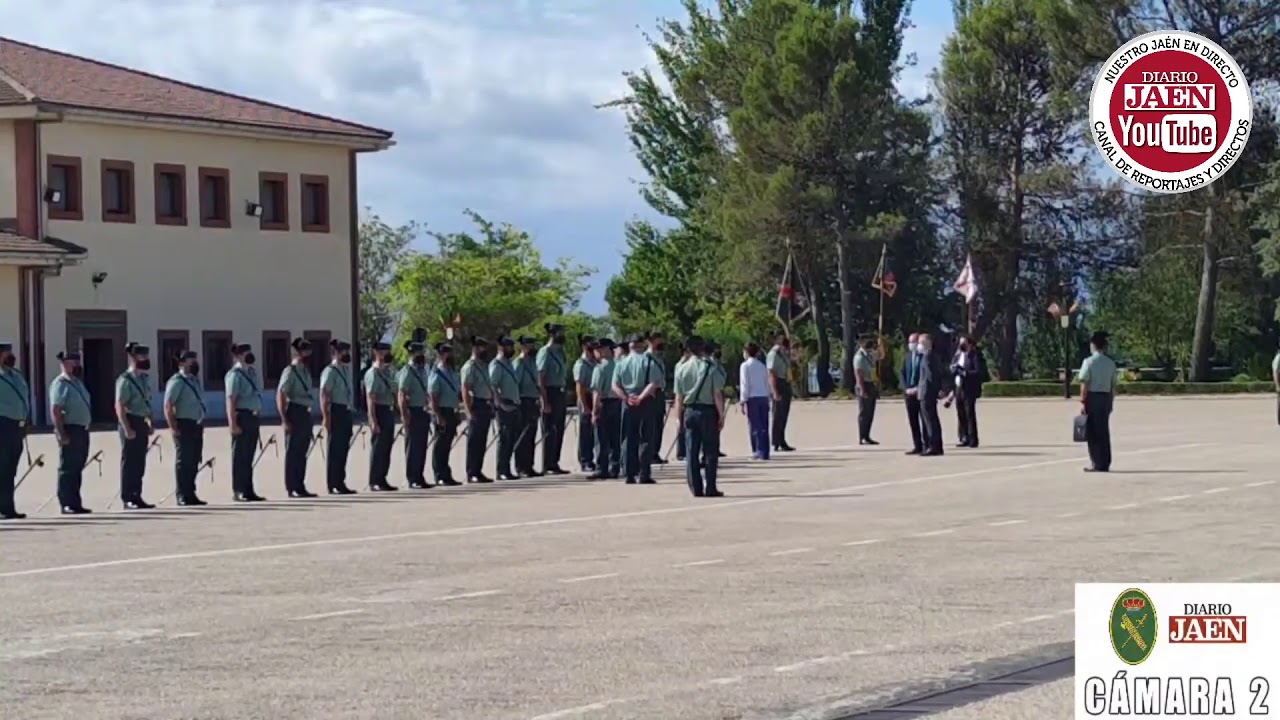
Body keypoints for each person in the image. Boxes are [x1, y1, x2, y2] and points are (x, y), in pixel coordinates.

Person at [673, 336, 726, 498]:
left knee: (691, 451)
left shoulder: (681, 369)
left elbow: (678, 397)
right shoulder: (710, 367)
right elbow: (717, 394)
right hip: (708, 411)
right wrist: (721, 415)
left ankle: (696, 487)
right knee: (710, 451)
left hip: (689, 411)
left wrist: (678, 417)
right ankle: (710, 487)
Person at [612, 333, 660, 484]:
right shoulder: (648, 361)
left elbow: (614, 386)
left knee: (628, 437)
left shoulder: (621, 363)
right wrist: (640, 397)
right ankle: (644, 473)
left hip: (627, 402)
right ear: (641, 345)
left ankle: (628, 473)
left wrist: (626, 398)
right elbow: (653, 383)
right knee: (645, 437)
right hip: (645, 401)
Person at [113, 342, 156, 509]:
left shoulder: (144, 379)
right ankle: (128, 497)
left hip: (141, 421)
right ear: (133, 358)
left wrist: (150, 420)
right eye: (141, 356)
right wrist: (126, 428)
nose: (145, 359)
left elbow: (147, 401)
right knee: (129, 462)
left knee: (139, 462)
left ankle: (137, 495)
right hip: (129, 421)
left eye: (146, 356)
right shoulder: (125, 380)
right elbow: (119, 406)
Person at [163, 349, 207, 506]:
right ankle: (181, 494)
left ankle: (191, 492)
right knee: (184, 460)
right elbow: (168, 405)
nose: (194, 363)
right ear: (181, 363)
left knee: (195, 459)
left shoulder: (195, 381)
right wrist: (173, 427)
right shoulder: (177, 381)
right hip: (183, 423)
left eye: (194, 360)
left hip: (196, 423)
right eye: (190, 360)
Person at [276, 337, 316, 498]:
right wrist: (284, 419)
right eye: (305, 351)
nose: (308, 354)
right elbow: (281, 394)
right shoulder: (290, 371)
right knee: (293, 452)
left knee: (302, 451)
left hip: (305, 412)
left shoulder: (306, 370)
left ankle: (300, 485)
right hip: (294, 411)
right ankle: (292, 487)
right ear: (297, 353)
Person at [225, 342, 265, 501]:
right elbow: (231, 399)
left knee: (249, 455)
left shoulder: (251, 372)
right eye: (244, 352)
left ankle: (249, 489)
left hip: (253, 417)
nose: (248, 354)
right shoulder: (235, 375)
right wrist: (232, 423)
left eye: (248, 351)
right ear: (237, 356)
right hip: (241, 416)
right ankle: (239, 490)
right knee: (240, 456)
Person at [319, 339, 357, 495]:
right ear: (335, 353)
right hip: (335, 410)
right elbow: (324, 394)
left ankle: (340, 482)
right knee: (335, 449)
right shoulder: (330, 371)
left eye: (347, 352)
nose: (346, 355)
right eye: (343, 352)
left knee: (343, 449)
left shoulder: (345, 370)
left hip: (346, 411)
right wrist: (325, 417)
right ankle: (333, 484)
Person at [1079, 331, 1118, 472]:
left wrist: (1083, 401)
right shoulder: (1110, 363)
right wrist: (1111, 402)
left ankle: (1096, 462)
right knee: (1104, 431)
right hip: (1106, 398)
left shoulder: (1088, 362)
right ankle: (1105, 462)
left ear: (1094, 345)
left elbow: (1084, 383)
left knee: (1093, 432)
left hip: (1093, 397)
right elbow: (1113, 386)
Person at [0, 341, 31, 519]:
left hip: (17, 426)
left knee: (10, 469)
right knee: (2, 467)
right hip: (2, 425)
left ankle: (8, 507)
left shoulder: (16, 375)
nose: (10, 356)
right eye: (5, 353)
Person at [363, 342, 399, 491]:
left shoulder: (388, 372)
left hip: (388, 410)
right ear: (377, 353)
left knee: (386, 447)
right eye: (383, 351)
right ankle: (374, 481)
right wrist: (373, 420)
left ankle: (382, 478)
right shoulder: (373, 373)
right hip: (379, 410)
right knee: (378, 448)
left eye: (387, 351)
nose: (386, 354)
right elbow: (370, 397)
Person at [397, 336, 432, 489]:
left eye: (421, 352)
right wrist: (404, 415)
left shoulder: (423, 370)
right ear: (411, 354)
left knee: (422, 446)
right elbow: (401, 394)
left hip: (423, 410)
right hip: (413, 411)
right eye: (417, 353)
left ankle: (419, 476)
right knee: (412, 447)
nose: (420, 355)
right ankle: (412, 478)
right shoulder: (407, 371)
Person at [536, 324, 570, 475]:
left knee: (559, 429)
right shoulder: (545, 352)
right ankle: (547, 464)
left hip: (560, 392)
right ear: (553, 334)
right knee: (549, 430)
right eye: (560, 332)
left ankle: (555, 462)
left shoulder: (561, 352)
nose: (563, 335)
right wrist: (545, 400)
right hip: (550, 391)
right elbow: (541, 378)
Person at [461, 336, 495, 483]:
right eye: (482, 347)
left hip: (485, 405)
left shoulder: (484, 366)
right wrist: (468, 411)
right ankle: (471, 472)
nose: (484, 350)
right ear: (475, 348)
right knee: (474, 441)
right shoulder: (469, 367)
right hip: (476, 405)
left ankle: (478, 470)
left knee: (482, 441)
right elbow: (465, 389)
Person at [489, 335, 522, 480]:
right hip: (504, 405)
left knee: (512, 438)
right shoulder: (496, 364)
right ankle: (501, 470)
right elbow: (493, 385)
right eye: (508, 346)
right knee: (504, 438)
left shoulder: (508, 363)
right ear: (501, 348)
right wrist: (500, 404)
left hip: (513, 404)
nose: (512, 349)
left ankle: (507, 468)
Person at [428, 341, 462, 485]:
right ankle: (439, 475)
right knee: (440, 445)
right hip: (441, 411)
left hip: (451, 410)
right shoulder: (437, 373)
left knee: (447, 444)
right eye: (446, 353)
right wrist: (438, 416)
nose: (449, 355)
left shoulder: (451, 372)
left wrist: (458, 411)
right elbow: (433, 397)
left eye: (450, 352)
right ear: (440, 355)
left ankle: (446, 474)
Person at [587, 338, 621, 480]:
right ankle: (615, 467)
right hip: (617, 403)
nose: (597, 352)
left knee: (601, 438)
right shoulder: (618, 366)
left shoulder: (599, 368)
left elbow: (597, 392)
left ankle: (602, 468)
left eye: (599, 349)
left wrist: (594, 411)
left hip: (604, 404)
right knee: (615, 438)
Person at [513, 335, 542, 478]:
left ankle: (529, 466)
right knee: (522, 436)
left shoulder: (532, 362)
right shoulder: (518, 363)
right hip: (523, 401)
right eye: (529, 345)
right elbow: (515, 384)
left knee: (531, 435)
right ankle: (521, 467)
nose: (531, 348)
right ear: (523, 347)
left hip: (533, 400)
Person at [913, 333, 945, 456]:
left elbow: (931, 376)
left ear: (927, 343)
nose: (918, 345)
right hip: (925, 392)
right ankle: (933, 445)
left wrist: (936, 390)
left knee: (930, 420)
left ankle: (934, 446)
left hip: (927, 393)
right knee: (930, 420)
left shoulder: (928, 357)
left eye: (920, 342)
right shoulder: (929, 356)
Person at [739, 342, 771, 460]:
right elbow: (766, 383)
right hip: (763, 396)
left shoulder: (745, 366)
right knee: (764, 425)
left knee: (754, 426)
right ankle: (765, 451)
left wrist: (743, 399)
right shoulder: (762, 366)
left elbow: (744, 384)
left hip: (752, 398)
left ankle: (758, 450)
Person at [572, 335, 598, 472]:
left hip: (594, 396)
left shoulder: (595, 362)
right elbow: (579, 386)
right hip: (585, 397)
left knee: (594, 431)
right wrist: (584, 405)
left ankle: (592, 458)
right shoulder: (581, 364)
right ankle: (585, 460)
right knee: (585, 431)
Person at [951, 335, 981, 448]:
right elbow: (953, 366)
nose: (961, 345)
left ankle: (973, 439)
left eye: (963, 343)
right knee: (960, 413)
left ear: (969, 344)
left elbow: (978, 372)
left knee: (969, 414)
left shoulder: (974, 355)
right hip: (959, 387)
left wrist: (965, 373)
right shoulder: (958, 355)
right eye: (960, 343)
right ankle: (963, 437)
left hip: (969, 389)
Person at [766, 333, 795, 452]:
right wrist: (774, 391)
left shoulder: (783, 353)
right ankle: (776, 441)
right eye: (781, 339)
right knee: (777, 414)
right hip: (778, 384)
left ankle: (782, 439)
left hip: (785, 383)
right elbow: (771, 373)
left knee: (784, 414)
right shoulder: (773, 354)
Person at [646, 331, 670, 465]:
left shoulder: (659, 358)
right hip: (650, 393)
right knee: (651, 425)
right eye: (659, 341)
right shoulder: (646, 358)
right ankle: (648, 453)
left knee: (659, 424)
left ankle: (655, 452)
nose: (662, 344)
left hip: (660, 393)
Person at [901, 333, 924, 455]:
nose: (912, 345)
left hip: (920, 393)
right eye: (910, 342)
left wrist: (918, 388)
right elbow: (902, 374)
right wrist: (905, 388)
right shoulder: (907, 357)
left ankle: (927, 444)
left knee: (924, 420)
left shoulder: (924, 356)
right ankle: (917, 445)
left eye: (914, 342)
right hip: (909, 394)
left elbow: (925, 376)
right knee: (913, 420)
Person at [853, 338, 878, 445]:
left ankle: (867, 436)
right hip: (863, 385)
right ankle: (862, 436)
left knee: (870, 412)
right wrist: (862, 389)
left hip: (871, 383)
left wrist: (881, 343)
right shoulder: (859, 357)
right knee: (864, 413)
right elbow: (859, 374)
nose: (871, 350)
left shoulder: (869, 355)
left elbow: (881, 356)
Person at [673, 344, 693, 461]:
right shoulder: (680, 366)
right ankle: (681, 452)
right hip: (683, 397)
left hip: (687, 397)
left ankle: (686, 451)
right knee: (681, 425)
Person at [708, 342, 728, 460]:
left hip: (720, 391)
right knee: (713, 424)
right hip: (712, 395)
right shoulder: (711, 365)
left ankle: (716, 447)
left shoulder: (719, 365)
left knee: (718, 425)